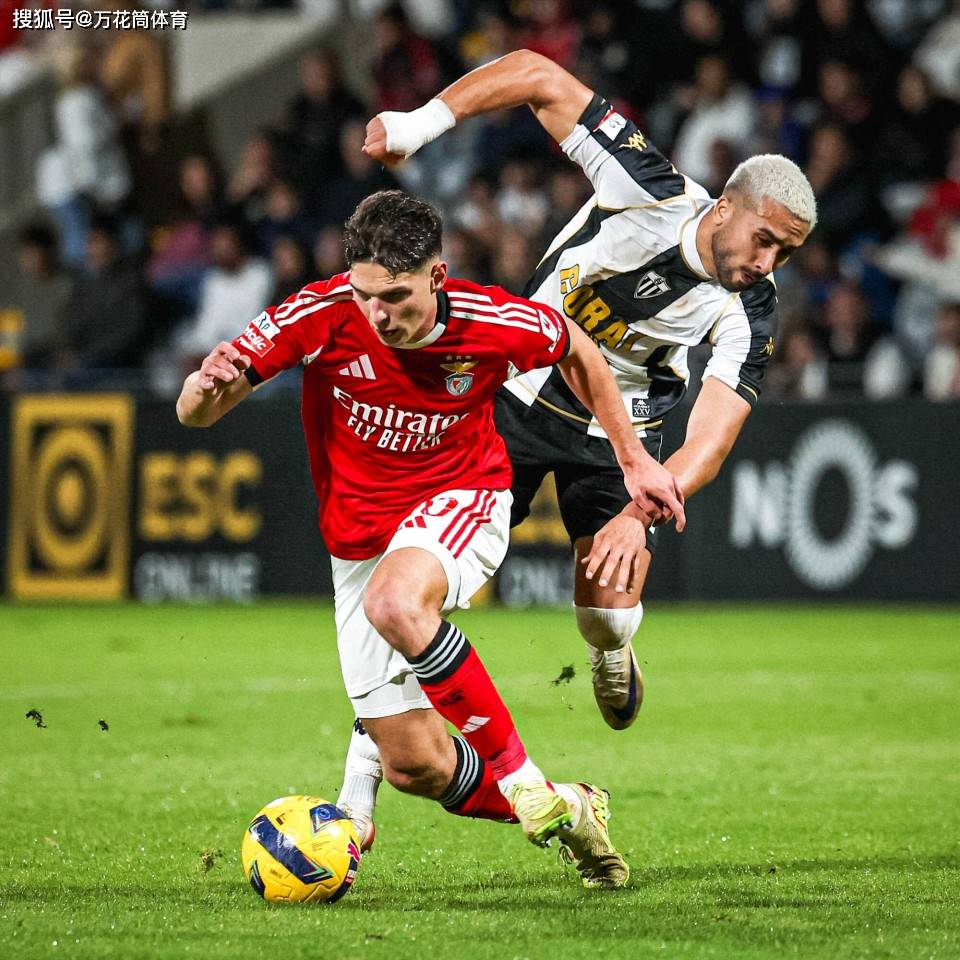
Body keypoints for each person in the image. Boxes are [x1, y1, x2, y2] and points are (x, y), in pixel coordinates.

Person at [176, 190, 685, 890]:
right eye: (366, 296)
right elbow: (198, 412)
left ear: (437, 277)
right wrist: (206, 388)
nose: (379, 315)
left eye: (396, 297)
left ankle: (522, 777)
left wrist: (632, 459)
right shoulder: (322, 313)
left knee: (396, 602)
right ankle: (571, 805)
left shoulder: (491, 320)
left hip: (464, 497)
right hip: (358, 543)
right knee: (417, 765)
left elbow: (577, 349)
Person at [359, 49, 816, 734]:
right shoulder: (647, 186)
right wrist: (421, 124)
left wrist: (639, 512)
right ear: (725, 208)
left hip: (617, 437)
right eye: (763, 240)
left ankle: (612, 648)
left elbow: (713, 437)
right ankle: (381, 748)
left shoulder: (753, 307)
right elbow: (535, 73)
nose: (766, 262)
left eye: (784, 253)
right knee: (421, 577)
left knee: (604, 617)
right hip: (514, 395)